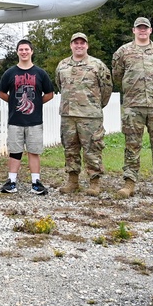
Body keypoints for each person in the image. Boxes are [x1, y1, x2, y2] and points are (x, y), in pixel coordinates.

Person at [111, 17, 153, 199]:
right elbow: (117, 76)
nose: (142, 31)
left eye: (145, 28)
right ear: (134, 30)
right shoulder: (123, 52)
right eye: (139, 28)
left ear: (150, 31)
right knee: (132, 146)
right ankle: (129, 184)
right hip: (133, 106)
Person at [54, 32, 113, 196]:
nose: (79, 46)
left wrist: (96, 105)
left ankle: (94, 183)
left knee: (92, 149)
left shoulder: (97, 65)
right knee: (70, 149)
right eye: (75, 43)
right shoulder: (63, 65)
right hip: (68, 115)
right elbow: (59, 84)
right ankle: (72, 181)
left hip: (90, 116)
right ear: (71, 45)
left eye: (82, 43)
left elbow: (107, 88)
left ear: (87, 45)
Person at [0, 39, 54, 195]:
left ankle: (36, 182)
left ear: (31, 51)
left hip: (34, 120)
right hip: (15, 119)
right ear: (17, 52)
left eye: (26, 49)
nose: (24, 52)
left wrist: (37, 103)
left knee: (33, 150)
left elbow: (49, 93)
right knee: (15, 151)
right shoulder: (10, 73)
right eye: (21, 49)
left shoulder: (40, 73)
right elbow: (1, 92)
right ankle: (12, 181)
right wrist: (14, 101)